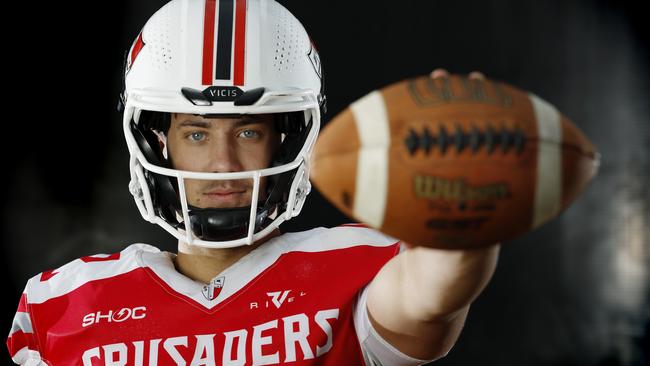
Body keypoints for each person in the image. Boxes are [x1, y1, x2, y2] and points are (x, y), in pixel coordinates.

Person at [6, 0, 499, 364]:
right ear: (160, 143)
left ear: (285, 140)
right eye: (197, 133)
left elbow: (433, 293)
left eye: (248, 130)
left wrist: (463, 206)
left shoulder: (356, 268)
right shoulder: (62, 301)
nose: (223, 163)